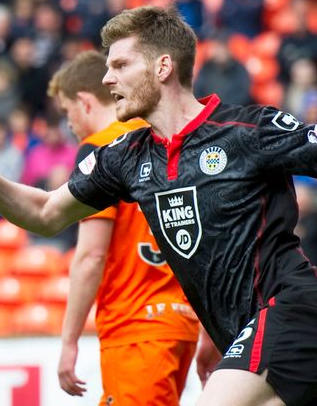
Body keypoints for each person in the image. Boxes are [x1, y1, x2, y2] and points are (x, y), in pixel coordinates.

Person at [0, 6, 317, 406]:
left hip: (296, 312)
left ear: (163, 67)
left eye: (120, 64)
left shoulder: (246, 131)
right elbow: (44, 213)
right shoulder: (125, 158)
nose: (107, 78)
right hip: (256, 342)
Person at [48, 50, 216, 404]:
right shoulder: (159, 138)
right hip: (180, 322)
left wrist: (68, 341)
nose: (70, 124)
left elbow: (91, 255)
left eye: (67, 112)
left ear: (84, 102)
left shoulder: (99, 149)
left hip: (135, 325)